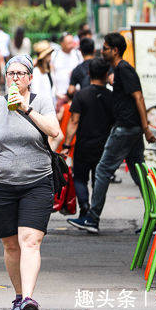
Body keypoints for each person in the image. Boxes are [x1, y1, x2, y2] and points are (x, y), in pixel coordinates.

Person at [0, 54, 62, 310]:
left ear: (30, 79)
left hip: (37, 182)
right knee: (11, 245)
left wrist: (26, 108)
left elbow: (54, 131)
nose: (15, 78)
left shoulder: (41, 102)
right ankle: (19, 295)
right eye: (11, 73)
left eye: (21, 74)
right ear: (5, 78)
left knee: (30, 241)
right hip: (0, 183)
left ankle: (28, 299)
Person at [68, 31, 156, 235]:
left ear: (115, 50)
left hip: (125, 128)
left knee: (102, 170)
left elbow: (139, 98)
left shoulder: (124, 69)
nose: (102, 51)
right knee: (138, 172)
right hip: (130, 128)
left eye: (106, 48)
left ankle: (92, 218)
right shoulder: (119, 70)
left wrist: (146, 128)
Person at [62, 56, 113, 223]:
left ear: (89, 73)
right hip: (104, 146)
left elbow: (73, 121)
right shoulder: (111, 97)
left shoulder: (81, 95)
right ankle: (93, 213)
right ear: (107, 74)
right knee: (98, 180)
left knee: (79, 178)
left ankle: (84, 206)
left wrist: (67, 144)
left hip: (84, 144)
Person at [50, 34, 83, 106]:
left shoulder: (78, 54)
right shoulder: (55, 55)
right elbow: (52, 73)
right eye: (69, 43)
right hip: (60, 95)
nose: (71, 45)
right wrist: (55, 91)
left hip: (76, 93)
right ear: (62, 44)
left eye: (72, 42)